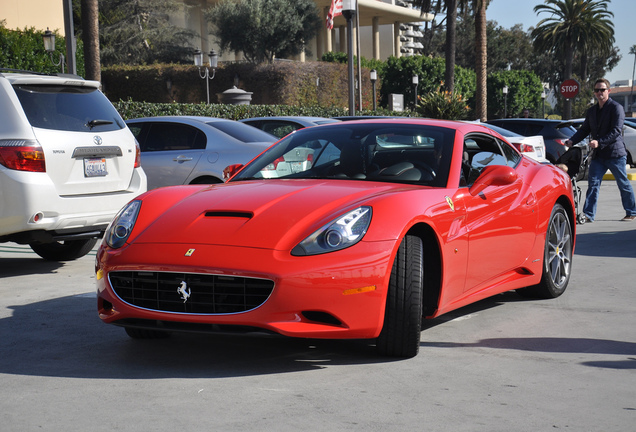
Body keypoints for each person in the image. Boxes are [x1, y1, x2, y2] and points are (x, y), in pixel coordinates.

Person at [564, 78, 636, 222]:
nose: (599, 93)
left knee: (622, 183)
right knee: (593, 184)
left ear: (608, 91)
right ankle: (588, 215)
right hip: (598, 156)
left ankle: (631, 212)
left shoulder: (616, 108)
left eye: (602, 90)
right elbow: (584, 129)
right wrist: (572, 140)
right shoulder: (592, 111)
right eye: (597, 90)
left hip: (615, 154)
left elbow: (616, 131)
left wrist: (599, 142)